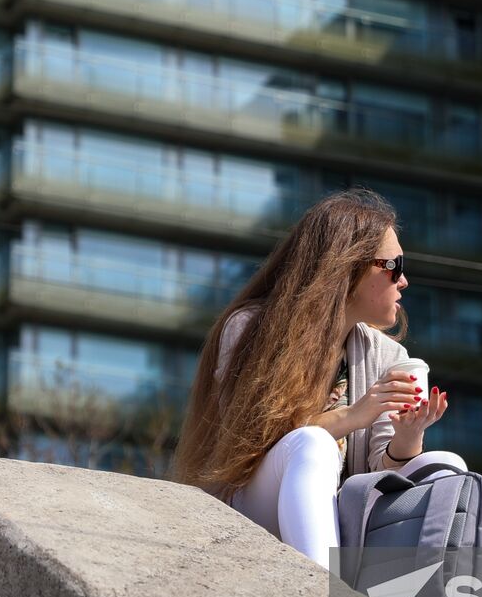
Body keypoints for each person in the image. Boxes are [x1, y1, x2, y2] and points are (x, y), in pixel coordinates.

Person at [173, 188, 461, 569]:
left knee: (447, 465)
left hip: (344, 522)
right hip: (250, 506)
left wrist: (408, 437)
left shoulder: (391, 358)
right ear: (349, 267)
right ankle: (324, 592)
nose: (404, 280)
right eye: (394, 266)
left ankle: (411, 594)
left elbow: (383, 483)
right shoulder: (249, 329)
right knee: (314, 445)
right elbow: (244, 442)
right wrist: (352, 416)